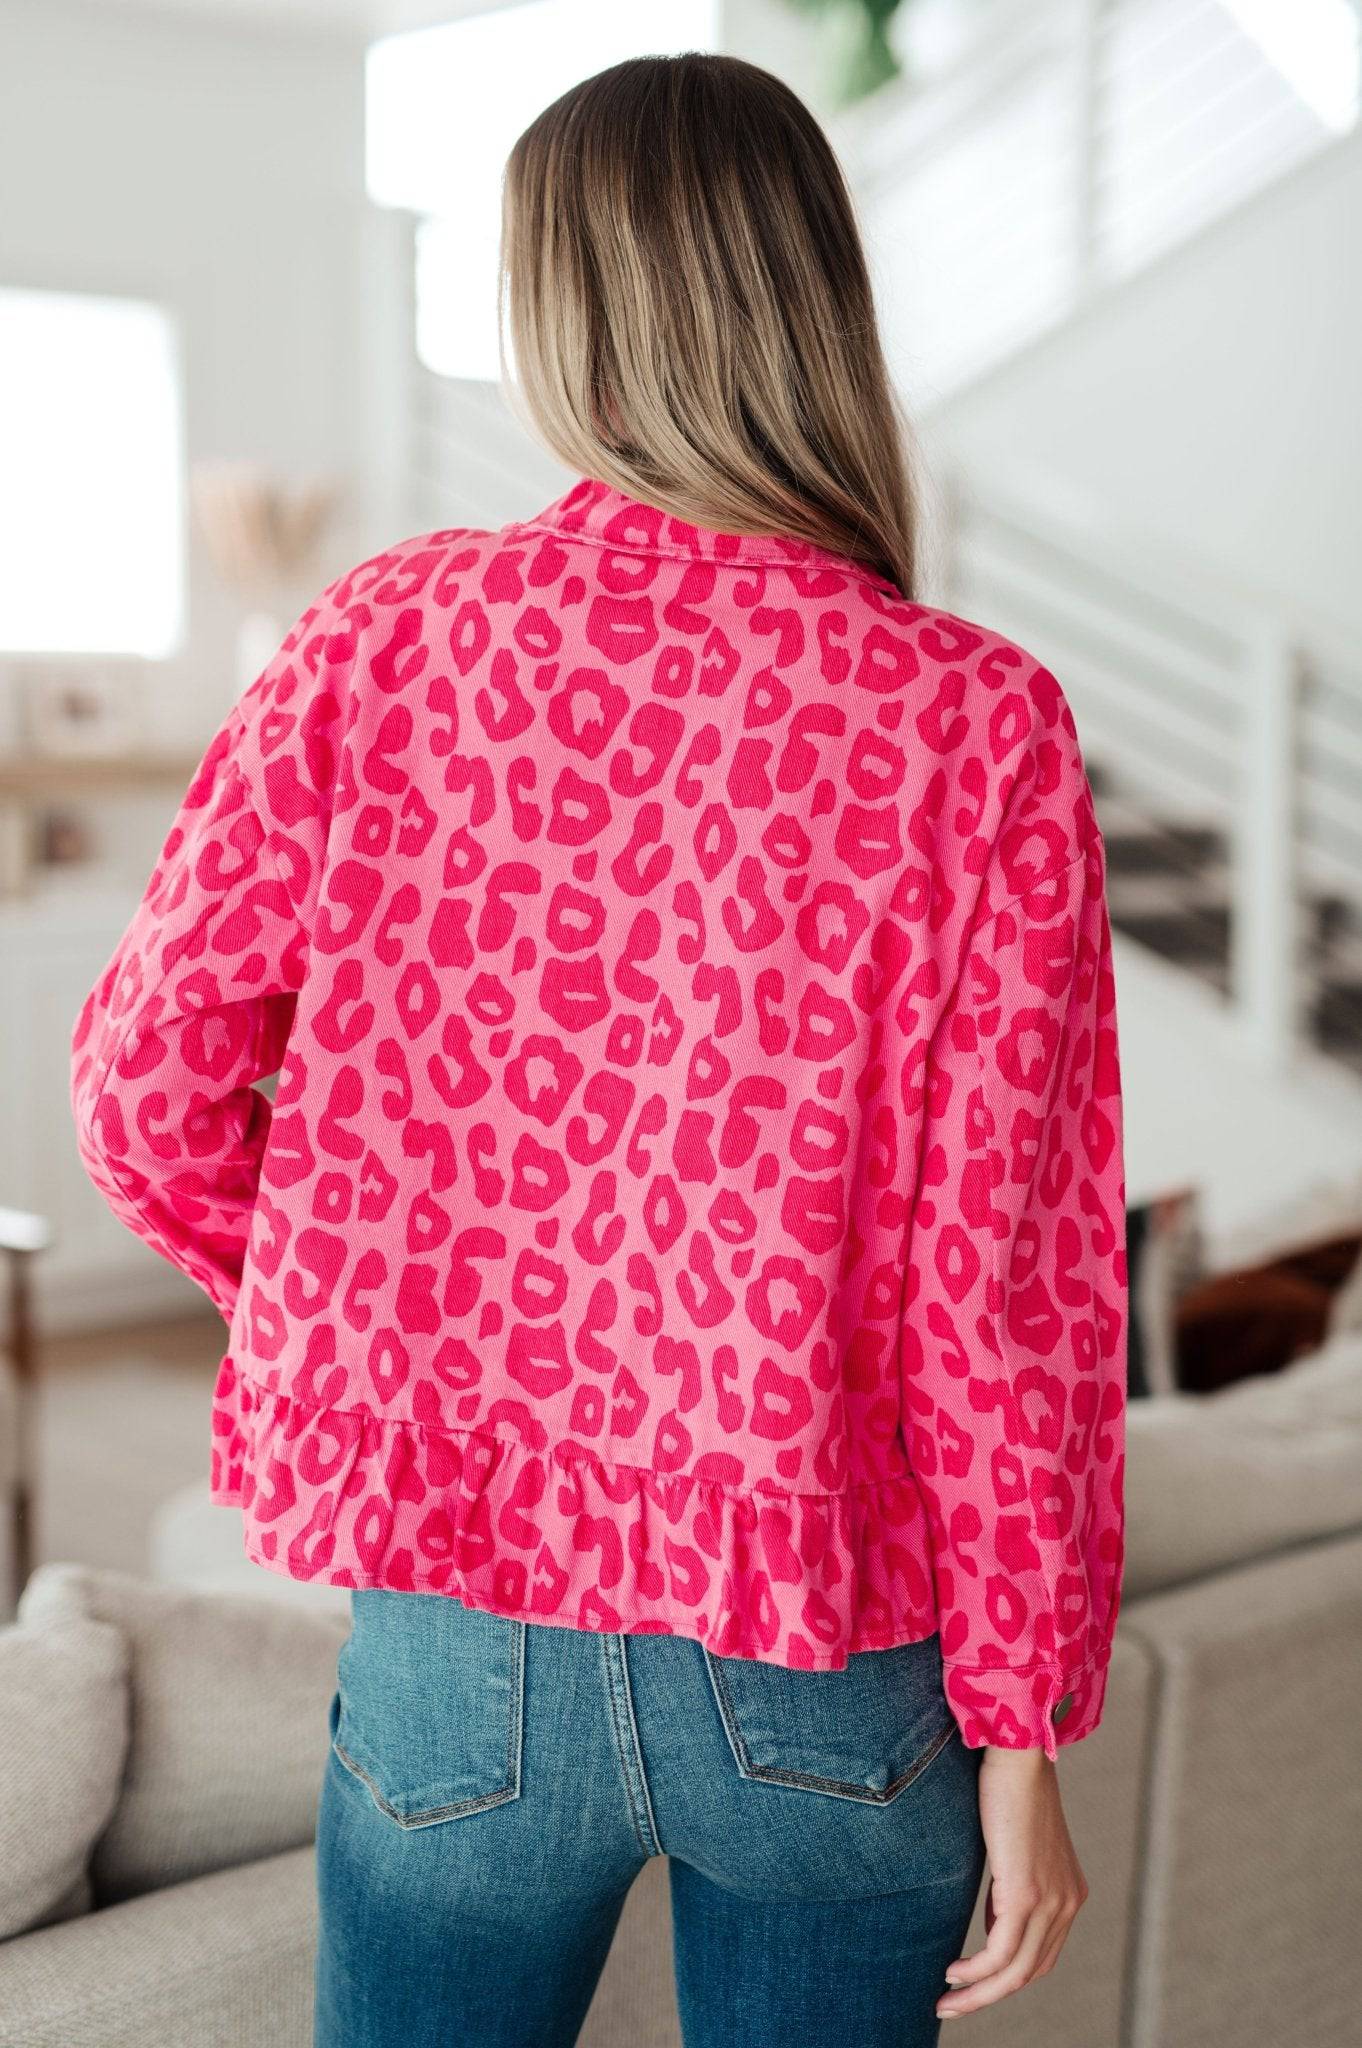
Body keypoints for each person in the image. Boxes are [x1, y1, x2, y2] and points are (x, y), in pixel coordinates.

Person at [70, 50, 1126, 2048]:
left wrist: (355, 1306)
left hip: (459, 1644)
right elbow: (1006, 1291)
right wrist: (1026, 1726)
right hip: (834, 1659)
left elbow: (144, 1093)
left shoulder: (379, 642)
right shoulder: (978, 719)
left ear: (560, 319)